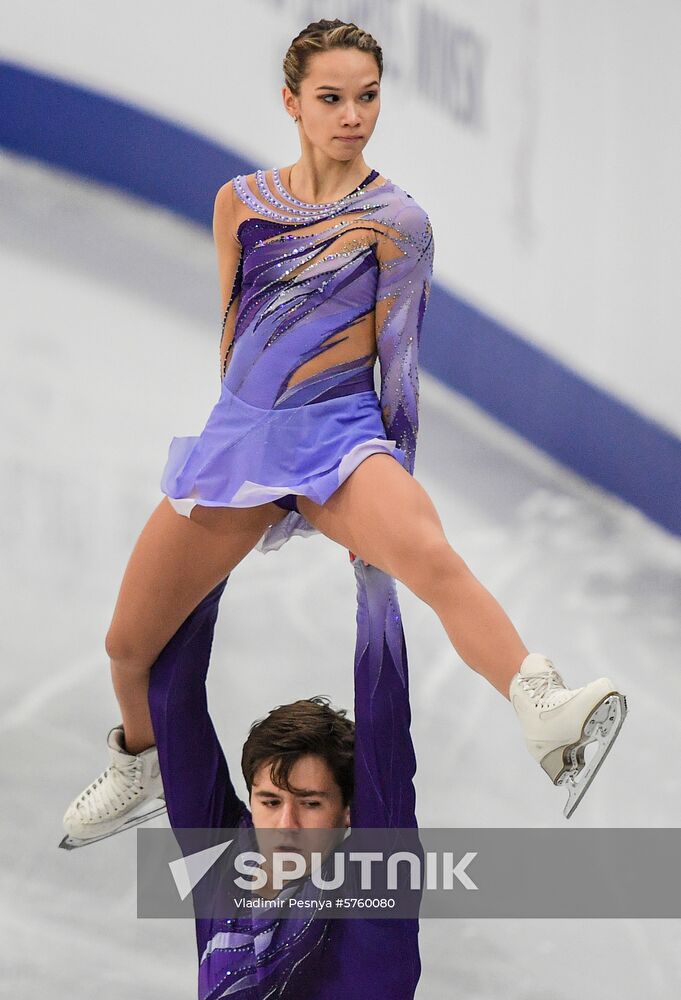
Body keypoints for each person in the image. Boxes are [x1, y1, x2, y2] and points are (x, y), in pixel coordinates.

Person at [60, 18, 627, 857]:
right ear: (291, 102)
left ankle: (538, 702)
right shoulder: (241, 203)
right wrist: (238, 448)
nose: (352, 115)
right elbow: (232, 336)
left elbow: (398, 366)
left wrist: (389, 479)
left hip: (340, 440)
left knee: (431, 556)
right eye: (331, 98)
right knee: (126, 644)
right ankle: (139, 761)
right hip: (246, 438)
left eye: (366, 97)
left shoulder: (399, 221)